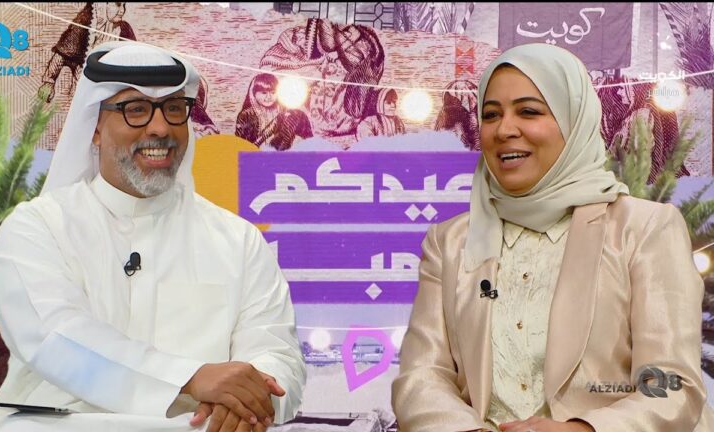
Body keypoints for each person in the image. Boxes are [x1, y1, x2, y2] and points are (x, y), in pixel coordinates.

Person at [0, 41, 306, 431]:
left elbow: (277, 354)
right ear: (95, 128)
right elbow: (56, 339)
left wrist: (250, 399)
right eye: (136, 109)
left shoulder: (237, 241)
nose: (160, 128)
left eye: (174, 108)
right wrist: (191, 378)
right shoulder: (38, 227)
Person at [391, 43, 714, 432]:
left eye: (528, 111)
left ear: (573, 120)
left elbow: (672, 384)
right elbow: (422, 375)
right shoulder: (450, 241)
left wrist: (582, 430)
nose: (504, 130)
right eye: (491, 114)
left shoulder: (643, 229)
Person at [235, 73, 313, 151]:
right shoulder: (246, 115)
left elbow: (309, 138)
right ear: (253, 93)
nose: (269, 97)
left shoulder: (290, 114)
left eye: (273, 92)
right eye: (264, 93)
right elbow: (240, 144)